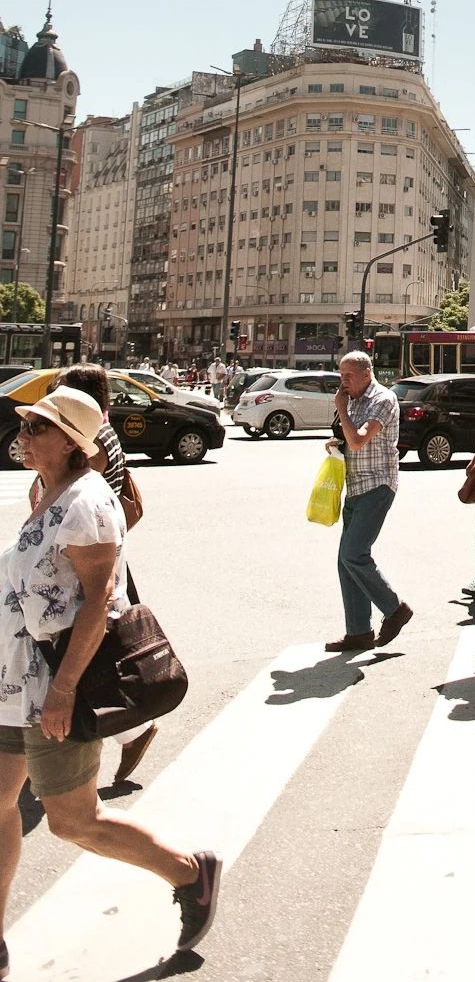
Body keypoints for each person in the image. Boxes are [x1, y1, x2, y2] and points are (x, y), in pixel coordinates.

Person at [0, 389, 220, 963]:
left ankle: (189, 872)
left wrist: (65, 691)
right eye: (24, 423)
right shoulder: (46, 491)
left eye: (37, 427)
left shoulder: (88, 503)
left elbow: (97, 604)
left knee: (74, 822)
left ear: (72, 442)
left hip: (53, 678)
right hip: (14, 676)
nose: (22, 433)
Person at [41, 367, 157, 785]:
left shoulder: (91, 445)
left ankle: (134, 728)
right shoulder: (99, 433)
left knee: (100, 655)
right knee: (101, 654)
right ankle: (129, 729)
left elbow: (74, 492)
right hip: (88, 554)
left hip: (87, 557)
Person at [324, 351, 411, 653]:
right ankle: (359, 632)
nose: (342, 381)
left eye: (347, 375)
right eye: (340, 375)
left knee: (354, 553)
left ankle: (395, 608)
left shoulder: (382, 400)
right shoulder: (354, 400)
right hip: (354, 486)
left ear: (366, 373)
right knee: (345, 562)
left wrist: (341, 409)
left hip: (378, 485)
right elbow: (349, 440)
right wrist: (335, 443)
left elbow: (359, 439)